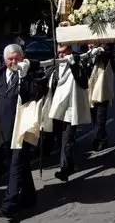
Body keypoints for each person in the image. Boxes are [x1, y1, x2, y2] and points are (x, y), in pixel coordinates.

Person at [0, 44, 43, 219]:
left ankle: (9, 203)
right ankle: (29, 196)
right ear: (5, 59)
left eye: (17, 58)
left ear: (23, 58)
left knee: (16, 163)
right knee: (19, 163)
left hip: (22, 128)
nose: (14, 62)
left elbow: (36, 93)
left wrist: (24, 77)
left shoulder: (30, 73)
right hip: (5, 129)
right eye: (10, 59)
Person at [41, 44, 91, 182]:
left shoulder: (77, 63)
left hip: (69, 108)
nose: (61, 55)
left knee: (67, 139)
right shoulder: (55, 67)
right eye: (59, 53)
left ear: (70, 50)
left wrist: (75, 65)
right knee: (60, 139)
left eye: (64, 52)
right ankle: (68, 164)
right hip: (56, 109)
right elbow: (44, 81)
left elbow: (84, 82)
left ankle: (65, 169)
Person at [87, 44, 115, 152]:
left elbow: (106, 56)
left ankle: (96, 139)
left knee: (100, 117)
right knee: (94, 117)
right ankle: (102, 138)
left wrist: (99, 52)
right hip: (90, 90)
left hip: (102, 92)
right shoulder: (87, 54)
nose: (90, 45)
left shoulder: (105, 52)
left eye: (92, 42)